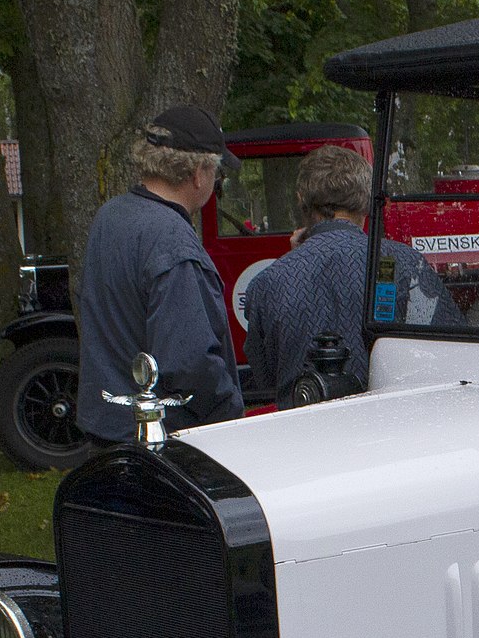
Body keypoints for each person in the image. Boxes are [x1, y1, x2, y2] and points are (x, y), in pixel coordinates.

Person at [73, 105, 245, 444]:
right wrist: (230, 413)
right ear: (198, 173)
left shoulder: (110, 215)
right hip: (160, 441)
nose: (215, 182)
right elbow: (190, 362)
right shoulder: (172, 241)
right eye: (216, 173)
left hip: (106, 429)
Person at [242, 146, 454, 406]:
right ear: (367, 202)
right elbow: (445, 353)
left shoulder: (267, 283)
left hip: (302, 426)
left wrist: (298, 260)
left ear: (301, 200)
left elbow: (265, 378)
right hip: (391, 421)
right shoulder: (406, 264)